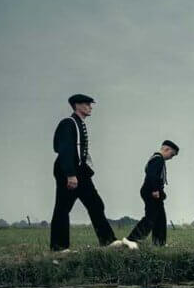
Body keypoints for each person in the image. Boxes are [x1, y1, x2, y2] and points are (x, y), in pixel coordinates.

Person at [50, 94, 127, 252]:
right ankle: (59, 247)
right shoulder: (68, 123)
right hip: (69, 171)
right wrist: (70, 174)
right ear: (77, 106)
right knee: (62, 208)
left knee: (96, 204)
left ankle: (108, 241)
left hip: (81, 172)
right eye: (87, 104)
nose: (90, 107)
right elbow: (63, 149)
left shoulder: (80, 124)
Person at [126, 140, 179, 247]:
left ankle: (159, 243)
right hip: (151, 192)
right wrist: (155, 190)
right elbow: (152, 175)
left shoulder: (157, 159)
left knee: (160, 218)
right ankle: (132, 239)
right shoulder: (157, 159)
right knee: (150, 217)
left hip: (154, 192)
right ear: (166, 149)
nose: (171, 157)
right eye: (172, 154)